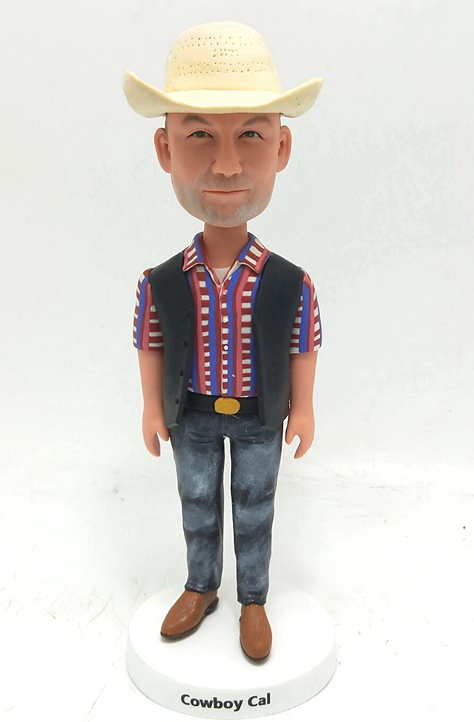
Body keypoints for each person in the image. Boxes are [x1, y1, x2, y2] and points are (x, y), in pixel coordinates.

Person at [123, 21, 323, 661]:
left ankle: (253, 598)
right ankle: (201, 584)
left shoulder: (289, 281)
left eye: (252, 136)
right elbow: (151, 342)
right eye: (200, 135)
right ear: (165, 149)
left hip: (261, 416)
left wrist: (303, 407)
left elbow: (302, 343)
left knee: (256, 505)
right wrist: (152, 407)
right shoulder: (161, 281)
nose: (229, 164)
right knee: (197, 501)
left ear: (282, 148)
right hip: (194, 414)